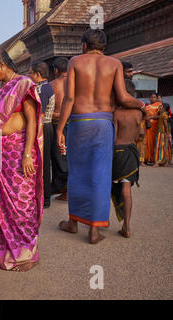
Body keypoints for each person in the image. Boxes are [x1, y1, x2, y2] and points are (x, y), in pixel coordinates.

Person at [56, 29, 145, 244]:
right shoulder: (114, 64)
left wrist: (59, 129)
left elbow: (69, 98)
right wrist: (141, 104)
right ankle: (94, 231)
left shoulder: (75, 62)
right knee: (100, 176)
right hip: (103, 124)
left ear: (85, 45)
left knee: (77, 174)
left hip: (80, 123)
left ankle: (73, 223)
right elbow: (123, 97)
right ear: (103, 47)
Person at [0, 47, 43, 272]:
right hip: (0, 152)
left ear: (2, 65)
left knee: (21, 201)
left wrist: (26, 154)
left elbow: (31, 120)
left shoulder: (24, 84)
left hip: (20, 152)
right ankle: (3, 249)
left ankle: (23, 253)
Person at [111, 106, 143, 238]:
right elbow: (140, 134)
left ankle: (100, 223)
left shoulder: (117, 113)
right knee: (126, 190)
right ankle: (127, 226)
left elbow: (113, 137)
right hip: (131, 151)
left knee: (108, 187)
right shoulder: (138, 113)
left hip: (118, 152)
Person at [29, 62, 55, 209]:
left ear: (37, 75)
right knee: (43, 162)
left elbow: (40, 113)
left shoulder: (41, 89)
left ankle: (44, 198)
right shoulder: (46, 87)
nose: (29, 76)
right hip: (46, 126)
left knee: (43, 164)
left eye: (30, 73)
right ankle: (44, 197)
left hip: (42, 127)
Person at [50, 57, 69, 201]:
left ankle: (63, 189)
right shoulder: (76, 84)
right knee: (69, 157)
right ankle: (65, 190)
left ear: (55, 70)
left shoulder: (52, 85)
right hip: (74, 124)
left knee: (59, 158)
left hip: (57, 124)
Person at [144, 93, 161, 165]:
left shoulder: (159, 105)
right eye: (151, 97)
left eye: (154, 97)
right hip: (147, 126)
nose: (152, 98)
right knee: (147, 142)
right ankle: (147, 158)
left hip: (155, 126)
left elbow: (160, 116)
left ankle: (153, 159)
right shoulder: (147, 106)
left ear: (157, 98)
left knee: (154, 142)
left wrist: (150, 117)